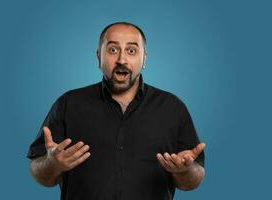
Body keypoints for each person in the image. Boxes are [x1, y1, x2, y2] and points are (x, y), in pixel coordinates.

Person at [27, 21, 205, 200]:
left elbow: (193, 180)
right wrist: (52, 164)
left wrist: (185, 171)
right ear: (99, 56)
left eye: (131, 51)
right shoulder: (68, 104)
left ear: (144, 59)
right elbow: (40, 173)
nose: (121, 60)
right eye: (112, 50)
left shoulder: (172, 107)